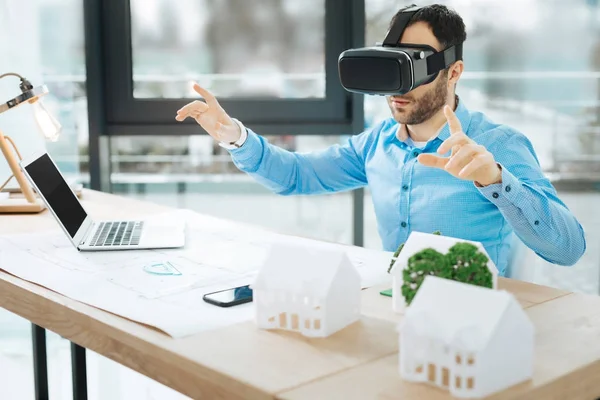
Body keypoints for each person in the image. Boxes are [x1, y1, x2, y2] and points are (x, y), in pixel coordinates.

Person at [175, 4, 586, 276]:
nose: (399, 84)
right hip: (399, 312)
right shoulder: (377, 145)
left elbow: (568, 249)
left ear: (453, 72)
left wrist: (496, 180)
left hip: (479, 323)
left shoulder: (498, 144)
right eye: (394, 63)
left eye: (416, 63)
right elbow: (299, 176)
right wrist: (234, 136)